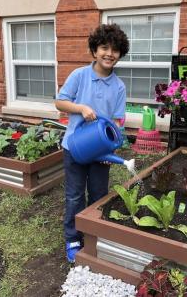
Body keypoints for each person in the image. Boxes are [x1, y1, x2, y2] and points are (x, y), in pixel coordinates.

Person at [55, 24, 129, 263]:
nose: (110, 53)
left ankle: (94, 234)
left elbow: (117, 121)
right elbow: (60, 103)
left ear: (120, 54)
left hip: (102, 152)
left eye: (115, 50)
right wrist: (81, 108)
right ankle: (73, 238)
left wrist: (113, 146)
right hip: (75, 147)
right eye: (104, 48)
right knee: (75, 195)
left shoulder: (119, 86)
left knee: (98, 194)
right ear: (94, 51)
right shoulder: (79, 76)